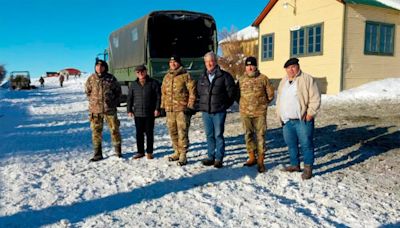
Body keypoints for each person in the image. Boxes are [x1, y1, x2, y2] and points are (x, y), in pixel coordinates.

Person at [276, 57, 321, 180]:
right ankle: (295, 165)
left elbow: (315, 98)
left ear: (298, 67)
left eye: (293, 67)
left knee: (306, 144)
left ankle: (308, 168)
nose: (291, 70)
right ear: (285, 69)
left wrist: (310, 113)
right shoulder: (283, 81)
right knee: (291, 144)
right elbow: (280, 98)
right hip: (287, 121)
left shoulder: (307, 79)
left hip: (302, 120)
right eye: (288, 68)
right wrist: (279, 115)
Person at [197, 52, 236, 168]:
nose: (209, 63)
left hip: (218, 112)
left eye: (211, 61)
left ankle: (219, 158)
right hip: (206, 112)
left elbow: (231, 93)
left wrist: (224, 106)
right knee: (209, 135)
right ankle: (211, 156)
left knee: (218, 135)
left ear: (215, 61)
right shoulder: (202, 77)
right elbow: (199, 93)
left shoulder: (224, 76)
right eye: (207, 61)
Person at [237, 56, 274, 173]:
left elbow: (271, 94)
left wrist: (263, 104)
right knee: (248, 135)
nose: (250, 67)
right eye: (248, 65)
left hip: (259, 113)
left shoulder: (263, 79)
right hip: (245, 113)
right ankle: (252, 157)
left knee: (260, 136)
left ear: (256, 66)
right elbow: (236, 94)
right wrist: (243, 104)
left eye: (252, 65)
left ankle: (261, 161)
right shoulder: (241, 79)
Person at [160, 55, 196, 166]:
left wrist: (190, 107)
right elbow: (163, 93)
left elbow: (192, 92)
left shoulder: (186, 76)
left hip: (182, 110)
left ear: (179, 63)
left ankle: (183, 155)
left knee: (182, 132)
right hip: (170, 110)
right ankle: (176, 151)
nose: (173, 64)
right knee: (173, 131)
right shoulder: (166, 77)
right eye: (171, 62)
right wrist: (163, 106)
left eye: (175, 62)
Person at [85, 59, 122, 162]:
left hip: (109, 110)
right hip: (95, 111)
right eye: (97, 66)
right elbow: (87, 92)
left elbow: (118, 92)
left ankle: (118, 151)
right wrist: (94, 102)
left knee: (114, 130)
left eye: (101, 66)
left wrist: (112, 103)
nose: (99, 68)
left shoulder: (111, 78)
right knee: (96, 132)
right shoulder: (91, 79)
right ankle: (97, 153)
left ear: (105, 67)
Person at [127, 65, 161, 160]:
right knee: (139, 133)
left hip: (149, 113)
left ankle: (149, 152)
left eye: (142, 71)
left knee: (149, 133)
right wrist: (129, 110)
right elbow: (130, 98)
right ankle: (140, 152)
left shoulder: (153, 83)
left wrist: (157, 108)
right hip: (138, 113)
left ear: (146, 71)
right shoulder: (133, 84)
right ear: (136, 74)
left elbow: (158, 97)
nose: (140, 73)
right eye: (138, 72)